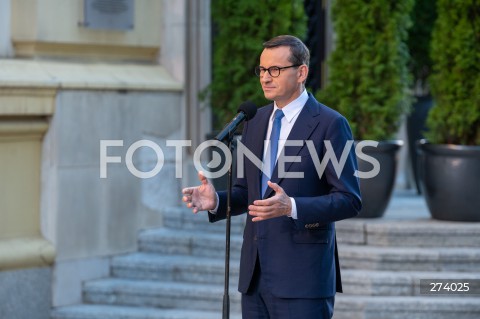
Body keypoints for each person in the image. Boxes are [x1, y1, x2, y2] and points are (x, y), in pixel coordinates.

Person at [182, 35, 361, 319]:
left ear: (301, 72)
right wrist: (216, 200)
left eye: (275, 69)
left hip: (303, 279)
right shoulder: (254, 122)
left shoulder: (330, 124)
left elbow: (349, 199)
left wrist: (292, 207)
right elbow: (247, 193)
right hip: (255, 278)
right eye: (262, 70)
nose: (266, 77)